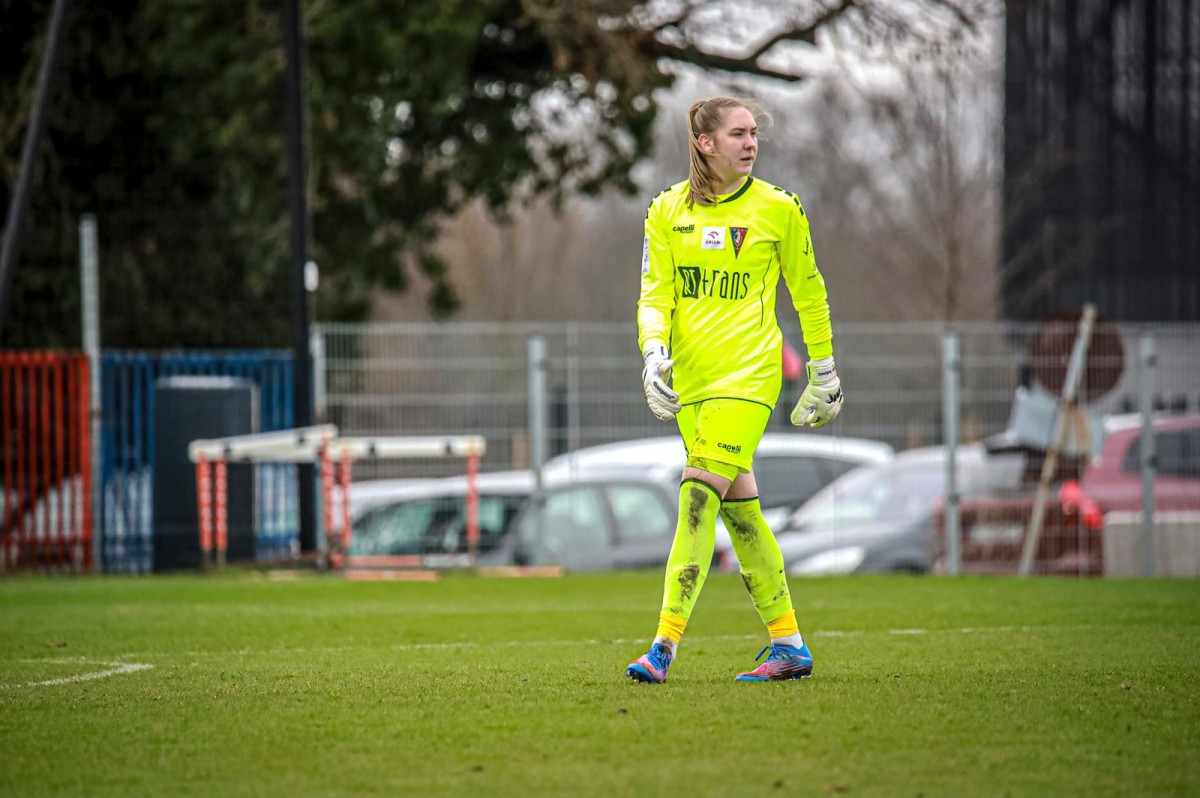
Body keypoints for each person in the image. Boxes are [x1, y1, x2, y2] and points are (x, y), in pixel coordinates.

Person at [626, 95, 844, 684]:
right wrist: (653, 354)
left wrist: (823, 369)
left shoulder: (779, 208)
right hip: (692, 386)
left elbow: (809, 291)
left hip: (750, 379)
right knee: (742, 516)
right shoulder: (665, 210)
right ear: (705, 143)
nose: (750, 144)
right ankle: (789, 644)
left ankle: (663, 646)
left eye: (754, 135)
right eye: (738, 134)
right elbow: (655, 294)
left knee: (697, 495)